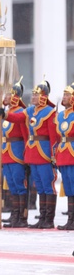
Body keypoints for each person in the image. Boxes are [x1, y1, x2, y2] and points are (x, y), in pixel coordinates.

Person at [0, 80, 57, 229]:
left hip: (44, 152)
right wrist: (4, 114)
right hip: (32, 152)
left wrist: (54, 155)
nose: (33, 97)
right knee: (39, 186)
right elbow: (17, 118)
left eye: (36, 95)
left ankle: (47, 219)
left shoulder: (50, 112)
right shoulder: (29, 111)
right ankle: (38, 218)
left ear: (43, 96)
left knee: (47, 185)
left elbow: (53, 136)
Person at [0, 81, 29, 228]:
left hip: (17, 151)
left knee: (19, 184)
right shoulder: (6, 110)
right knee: (11, 184)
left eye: (8, 94)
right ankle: (14, 214)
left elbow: (23, 131)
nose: (6, 97)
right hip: (5, 151)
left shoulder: (20, 111)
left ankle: (21, 217)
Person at [55, 83, 74, 230]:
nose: (65, 97)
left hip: (72, 150)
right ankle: (70, 219)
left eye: (67, 95)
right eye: (64, 95)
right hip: (63, 152)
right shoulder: (61, 115)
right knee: (68, 187)